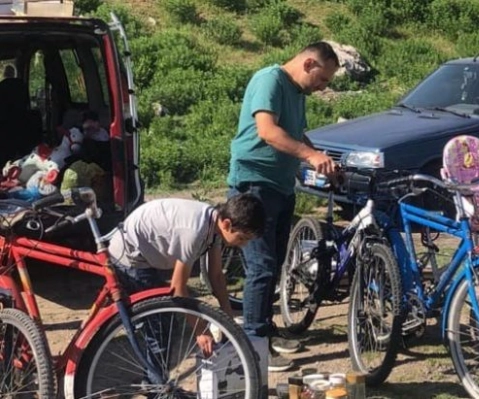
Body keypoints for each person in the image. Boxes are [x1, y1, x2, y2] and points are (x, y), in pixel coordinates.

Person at [227, 41, 339, 372]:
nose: (322, 88)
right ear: (309, 64)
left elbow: (296, 134)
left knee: (274, 265)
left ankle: (265, 330)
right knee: (261, 267)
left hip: (280, 187)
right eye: (323, 79)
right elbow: (268, 131)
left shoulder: (297, 93)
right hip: (254, 184)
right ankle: (253, 346)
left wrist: (322, 159)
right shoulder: (270, 80)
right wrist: (309, 156)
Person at [108, 193, 265, 362]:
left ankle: (156, 379)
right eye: (242, 238)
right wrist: (201, 330)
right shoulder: (195, 232)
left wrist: (228, 320)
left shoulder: (214, 224)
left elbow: (216, 276)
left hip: (147, 250)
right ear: (227, 224)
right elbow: (177, 290)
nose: (243, 244)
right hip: (129, 255)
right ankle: (153, 383)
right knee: (162, 320)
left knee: (165, 316)